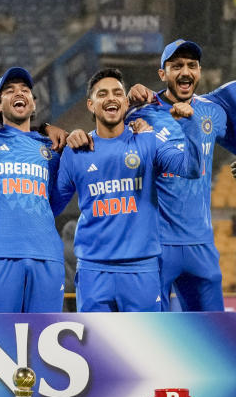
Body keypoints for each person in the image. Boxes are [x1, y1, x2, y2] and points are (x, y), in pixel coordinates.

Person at [51, 68, 202, 312]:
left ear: (125, 101)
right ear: (90, 104)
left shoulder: (147, 140)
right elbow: (53, 205)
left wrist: (190, 126)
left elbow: (190, 169)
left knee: (142, 349)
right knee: (96, 349)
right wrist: (52, 150)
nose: (111, 98)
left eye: (117, 93)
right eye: (102, 94)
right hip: (93, 269)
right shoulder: (75, 150)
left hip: (141, 269)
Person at [121, 40, 228, 311]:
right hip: (156, 245)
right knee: (153, 335)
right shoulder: (140, 112)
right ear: (162, 74)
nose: (185, 71)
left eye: (192, 65)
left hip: (201, 244)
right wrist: (126, 102)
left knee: (215, 336)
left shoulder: (213, 111)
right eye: (176, 65)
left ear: (200, 72)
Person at [0, 67, 64, 312]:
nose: (18, 93)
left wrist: (46, 128)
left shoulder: (53, 148)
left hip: (47, 255)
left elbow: (56, 199)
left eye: (25, 90)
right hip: (0, 254)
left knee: (43, 342)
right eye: (9, 91)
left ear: (33, 104)